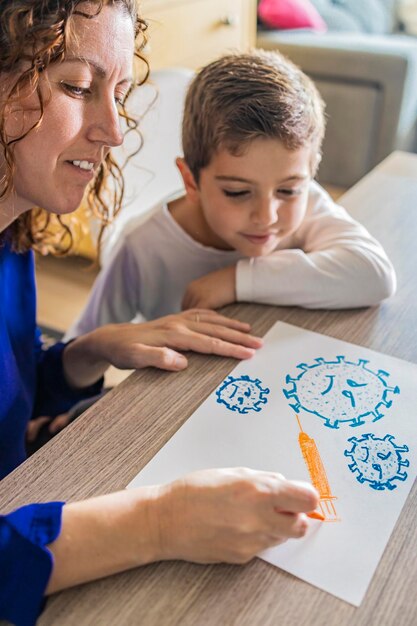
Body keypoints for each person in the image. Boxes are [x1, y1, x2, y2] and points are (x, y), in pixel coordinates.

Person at [0, 2, 318, 625]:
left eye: (117, 93)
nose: (114, 131)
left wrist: (84, 353)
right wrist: (159, 522)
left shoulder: (15, 234)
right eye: (76, 87)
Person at [66, 49, 396, 339]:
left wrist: (235, 280)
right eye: (237, 192)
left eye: (289, 189)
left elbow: (375, 275)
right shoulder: (141, 247)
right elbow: (84, 343)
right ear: (191, 181)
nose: (267, 216)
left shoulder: (309, 204)